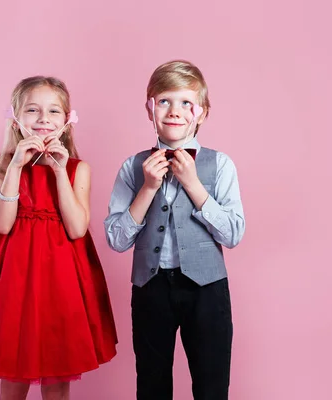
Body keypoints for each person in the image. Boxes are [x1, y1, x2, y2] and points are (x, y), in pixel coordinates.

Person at [0, 76, 117, 400]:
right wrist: (14, 166)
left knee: (57, 382)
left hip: (62, 283)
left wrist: (58, 171)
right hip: (15, 283)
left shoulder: (76, 169)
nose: (43, 119)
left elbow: (77, 228)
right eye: (32, 110)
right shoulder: (6, 166)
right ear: (16, 119)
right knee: (12, 380)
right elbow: (1, 224)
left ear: (67, 121)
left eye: (54, 111)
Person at [104, 60, 245, 400]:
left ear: (202, 112)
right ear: (149, 108)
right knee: (152, 386)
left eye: (186, 103)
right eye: (164, 100)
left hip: (206, 290)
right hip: (151, 289)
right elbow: (116, 239)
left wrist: (195, 186)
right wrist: (148, 188)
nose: (174, 111)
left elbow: (233, 234)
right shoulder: (132, 166)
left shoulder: (220, 164)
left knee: (212, 385)